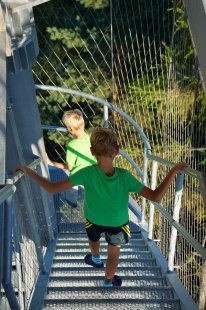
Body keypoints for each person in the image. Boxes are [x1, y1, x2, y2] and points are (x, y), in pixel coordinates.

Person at [16, 127, 189, 288]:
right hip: (118, 223)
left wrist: (28, 171)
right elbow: (155, 196)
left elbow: (52, 188)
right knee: (113, 255)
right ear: (117, 151)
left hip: (93, 218)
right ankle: (108, 281)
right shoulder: (124, 176)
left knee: (93, 238)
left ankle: (96, 259)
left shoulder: (87, 173)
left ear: (92, 152)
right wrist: (172, 171)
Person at [47, 109, 96, 207]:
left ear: (70, 129)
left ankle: (72, 201)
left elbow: (69, 166)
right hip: (93, 174)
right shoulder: (92, 138)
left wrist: (51, 163)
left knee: (70, 185)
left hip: (78, 176)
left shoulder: (72, 145)